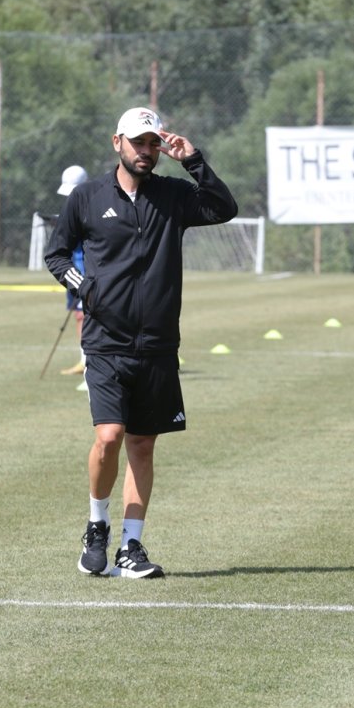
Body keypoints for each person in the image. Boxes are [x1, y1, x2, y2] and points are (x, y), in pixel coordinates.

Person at [45, 107, 237, 578]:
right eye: (138, 142)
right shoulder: (87, 198)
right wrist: (84, 287)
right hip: (106, 342)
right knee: (108, 437)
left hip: (157, 344)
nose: (147, 151)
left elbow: (223, 208)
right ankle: (97, 525)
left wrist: (192, 160)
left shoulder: (173, 196)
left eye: (153, 143)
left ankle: (132, 547)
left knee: (143, 446)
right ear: (118, 143)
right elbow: (54, 254)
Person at [56, 165, 89, 375]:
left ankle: (89, 360)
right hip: (72, 269)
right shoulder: (71, 207)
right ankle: (84, 359)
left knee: (86, 315)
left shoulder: (93, 206)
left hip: (87, 269)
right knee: (79, 315)